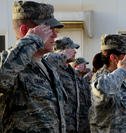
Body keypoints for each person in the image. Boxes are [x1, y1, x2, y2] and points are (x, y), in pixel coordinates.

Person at [0, 1, 68, 133]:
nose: (55, 34)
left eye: (55, 29)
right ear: (26, 31)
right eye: (48, 29)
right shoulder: (9, 62)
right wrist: (32, 40)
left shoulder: (47, 66)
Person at [89, 34, 126, 133]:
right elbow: (101, 90)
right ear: (114, 58)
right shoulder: (101, 78)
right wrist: (122, 70)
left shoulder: (122, 78)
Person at [44, 36, 84, 133]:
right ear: (62, 50)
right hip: (60, 123)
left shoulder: (70, 71)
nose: (75, 52)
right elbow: (47, 58)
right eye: (71, 48)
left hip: (73, 124)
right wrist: (63, 55)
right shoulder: (53, 66)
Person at [72, 57, 91, 133]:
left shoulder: (81, 78)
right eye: (84, 65)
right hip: (78, 115)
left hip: (85, 114)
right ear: (77, 66)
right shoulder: (73, 75)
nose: (85, 67)